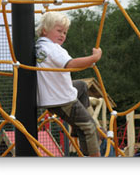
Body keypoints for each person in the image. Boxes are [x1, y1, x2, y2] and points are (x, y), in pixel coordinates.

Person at [35, 11, 102, 157]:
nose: (62, 35)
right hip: (62, 100)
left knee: (82, 86)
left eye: (64, 32)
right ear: (45, 30)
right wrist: (94, 57)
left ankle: (76, 128)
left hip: (51, 94)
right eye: (58, 31)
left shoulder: (40, 47)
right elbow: (71, 64)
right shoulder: (53, 48)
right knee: (89, 127)